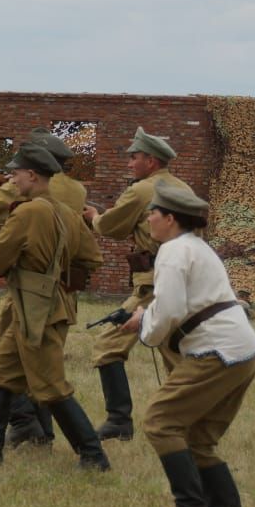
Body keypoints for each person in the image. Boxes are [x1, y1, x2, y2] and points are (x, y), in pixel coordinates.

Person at [0, 142, 110, 470]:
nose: (11, 178)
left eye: (16, 173)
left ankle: (93, 455)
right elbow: (92, 258)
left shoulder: (27, 211)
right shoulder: (66, 212)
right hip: (39, 304)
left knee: (50, 385)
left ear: (33, 176)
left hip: (38, 308)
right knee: (1, 372)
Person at [120, 181, 255, 507]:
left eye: (153, 213)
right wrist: (145, 316)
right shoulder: (197, 247)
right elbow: (183, 304)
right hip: (243, 351)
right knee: (199, 438)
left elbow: (169, 311)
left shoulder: (171, 251)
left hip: (215, 352)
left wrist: (145, 330)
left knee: (160, 422)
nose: (148, 219)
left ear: (169, 218)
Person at [82, 127, 190, 443]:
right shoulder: (183, 187)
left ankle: (119, 421)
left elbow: (111, 227)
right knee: (175, 357)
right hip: (181, 281)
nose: (129, 163)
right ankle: (187, 421)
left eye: (134, 158)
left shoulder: (142, 190)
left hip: (152, 287)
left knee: (106, 346)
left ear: (152, 161)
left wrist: (94, 216)